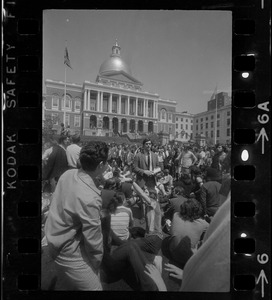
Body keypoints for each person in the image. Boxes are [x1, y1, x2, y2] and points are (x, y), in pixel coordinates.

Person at [44, 141, 109, 290]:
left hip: (53, 239)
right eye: (106, 162)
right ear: (100, 165)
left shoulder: (68, 174)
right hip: (68, 251)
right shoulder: (90, 198)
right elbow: (93, 239)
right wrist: (96, 262)